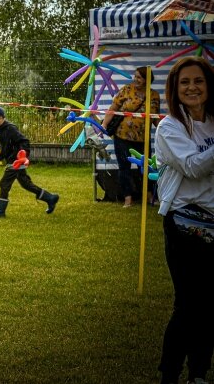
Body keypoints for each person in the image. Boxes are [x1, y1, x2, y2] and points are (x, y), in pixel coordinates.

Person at [155, 57, 214, 384]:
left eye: (199, 81)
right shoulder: (170, 127)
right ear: (175, 90)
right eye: (185, 83)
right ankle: (170, 374)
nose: (192, 87)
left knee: (210, 305)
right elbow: (192, 166)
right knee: (189, 303)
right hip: (183, 223)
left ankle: (199, 373)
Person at [0, 105, 59, 217]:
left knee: (4, 183)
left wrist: (23, 156)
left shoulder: (10, 128)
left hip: (16, 161)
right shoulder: (0, 129)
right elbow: (6, 147)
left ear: (0, 118)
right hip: (12, 160)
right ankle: (50, 198)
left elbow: (24, 141)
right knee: (26, 184)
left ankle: (0, 211)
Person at [101, 66, 161, 207]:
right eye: (135, 76)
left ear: (147, 80)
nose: (136, 79)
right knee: (124, 168)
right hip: (121, 136)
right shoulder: (126, 90)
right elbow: (113, 109)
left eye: (139, 77)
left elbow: (155, 118)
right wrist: (103, 125)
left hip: (142, 139)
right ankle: (128, 199)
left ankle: (149, 196)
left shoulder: (154, 95)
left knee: (147, 167)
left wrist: (165, 131)